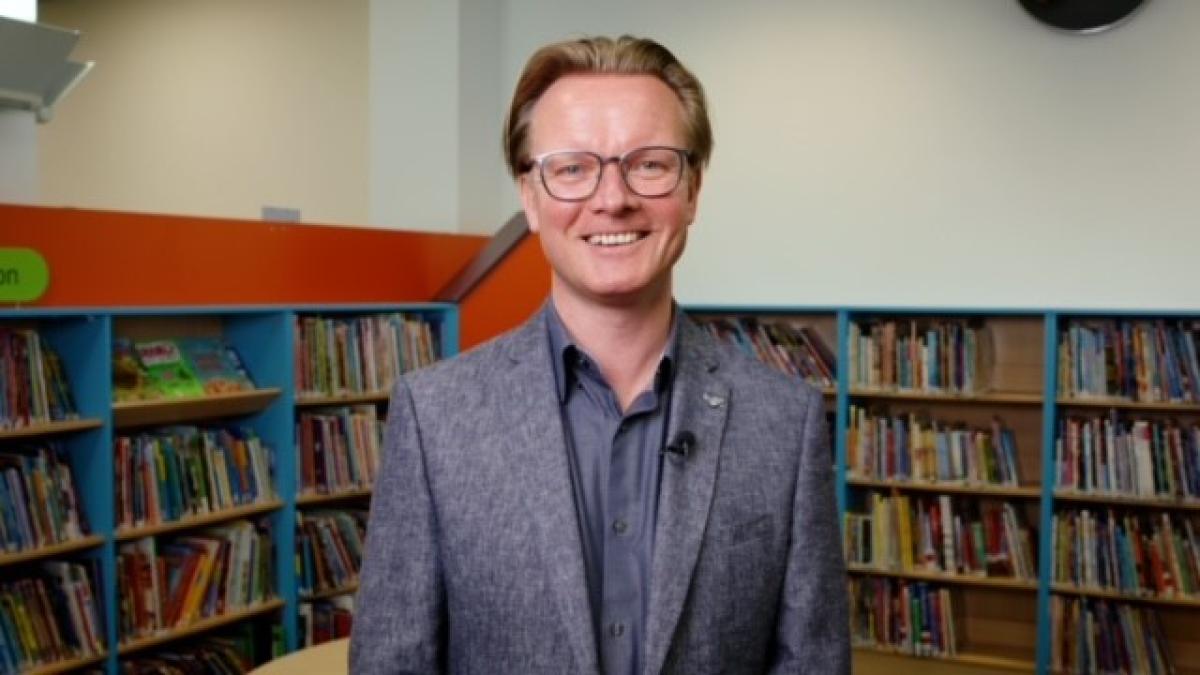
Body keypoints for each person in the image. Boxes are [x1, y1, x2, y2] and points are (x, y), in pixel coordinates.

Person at [350, 35, 848, 675]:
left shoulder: (787, 423)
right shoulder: (434, 416)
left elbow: (813, 663)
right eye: (572, 167)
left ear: (692, 189)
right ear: (530, 197)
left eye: (649, 163)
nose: (612, 197)